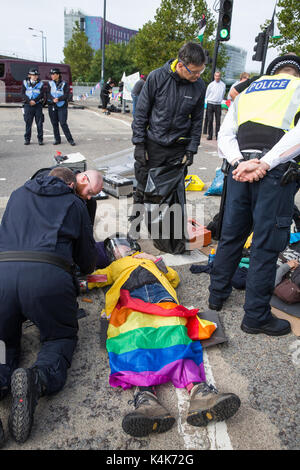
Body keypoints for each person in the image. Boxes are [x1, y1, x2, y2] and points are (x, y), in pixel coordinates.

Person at [86, 234, 241, 437]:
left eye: (124, 245)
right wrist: (70, 280)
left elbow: (173, 278)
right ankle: (147, 400)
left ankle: (200, 392)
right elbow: (94, 280)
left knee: (176, 334)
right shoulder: (114, 267)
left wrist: (158, 262)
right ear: (112, 255)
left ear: (132, 245)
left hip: (162, 297)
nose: (121, 249)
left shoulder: (147, 259)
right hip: (129, 301)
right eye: (117, 248)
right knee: (135, 340)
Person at [0, 167, 97, 444]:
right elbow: (87, 261)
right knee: (59, 337)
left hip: (2, 276)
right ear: (71, 183)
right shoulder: (73, 202)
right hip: (46, 279)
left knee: (3, 341)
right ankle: (38, 379)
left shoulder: (18, 194)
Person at [208, 54, 300, 336]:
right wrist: (265, 163)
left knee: (232, 235)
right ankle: (255, 317)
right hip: (273, 175)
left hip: (238, 173)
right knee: (264, 245)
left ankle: (216, 295)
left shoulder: (249, 90)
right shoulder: (296, 88)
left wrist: (239, 163)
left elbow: (225, 135)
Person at [130, 41, 206, 239]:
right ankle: (135, 229)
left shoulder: (198, 86)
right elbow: (141, 113)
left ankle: (168, 234)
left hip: (178, 148)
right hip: (153, 145)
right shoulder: (157, 77)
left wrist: (191, 149)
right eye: (194, 72)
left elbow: (198, 120)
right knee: (143, 188)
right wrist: (139, 144)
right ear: (181, 65)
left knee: (172, 193)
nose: (198, 76)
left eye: (201, 71)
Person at [47, 68, 75, 146]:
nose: (52, 76)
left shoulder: (64, 84)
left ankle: (70, 139)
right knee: (54, 123)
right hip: (52, 105)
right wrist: (53, 99)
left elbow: (67, 94)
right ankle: (57, 139)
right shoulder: (50, 84)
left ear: (58, 75)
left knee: (63, 123)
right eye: (51, 74)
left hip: (62, 106)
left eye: (53, 74)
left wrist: (59, 99)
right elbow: (47, 94)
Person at [22, 68, 44, 146]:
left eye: (36, 75)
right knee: (28, 123)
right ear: (29, 75)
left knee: (39, 123)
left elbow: (42, 94)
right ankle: (27, 139)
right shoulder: (25, 83)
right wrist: (29, 101)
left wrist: (34, 100)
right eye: (33, 75)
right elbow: (23, 94)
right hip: (28, 105)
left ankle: (40, 139)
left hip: (37, 105)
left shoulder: (41, 83)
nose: (35, 77)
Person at [205, 70, 226, 140]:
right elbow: (207, 94)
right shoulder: (210, 85)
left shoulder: (223, 85)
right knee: (210, 120)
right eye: (216, 76)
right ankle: (210, 135)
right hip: (210, 104)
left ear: (220, 77)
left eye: (218, 76)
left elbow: (223, 94)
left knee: (218, 121)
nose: (217, 77)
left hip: (218, 105)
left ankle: (217, 136)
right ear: (214, 76)